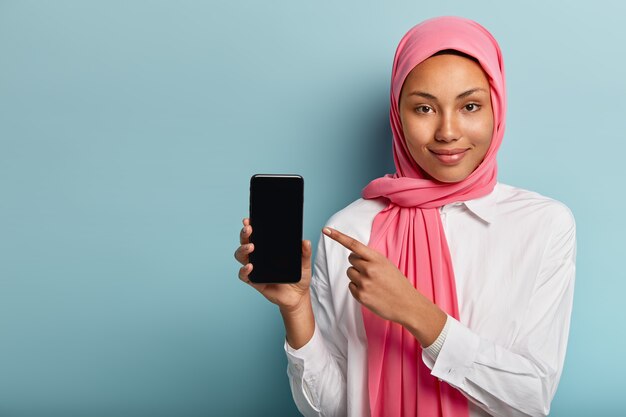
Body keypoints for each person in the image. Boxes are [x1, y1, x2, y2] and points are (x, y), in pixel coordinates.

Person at [234, 16, 576, 417]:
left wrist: (417, 312)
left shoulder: (542, 225)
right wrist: (296, 311)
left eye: (469, 106)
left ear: (496, 109)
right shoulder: (348, 230)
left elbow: (532, 399)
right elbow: (333, 408)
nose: (447, 131)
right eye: (424, 108)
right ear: (398, 116)